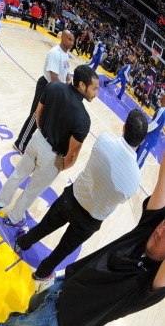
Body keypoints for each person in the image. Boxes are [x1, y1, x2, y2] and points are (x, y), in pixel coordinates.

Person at [0, 149, 165, 326]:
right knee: (35, 301)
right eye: (163, 223)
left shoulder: (149, 285)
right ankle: (23, 313)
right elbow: (163, 180)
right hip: (64, 283)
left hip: (60, 319)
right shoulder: (148, 230)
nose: (159, 231)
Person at [14, 109, 147, 289]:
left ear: (123, 127)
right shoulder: (136, 179)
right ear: (142, 141)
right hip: (90, 220)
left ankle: (22, 243)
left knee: (45, 225)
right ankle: (41, 273)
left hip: (73, 198)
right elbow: (120, 200)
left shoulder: (104, 140)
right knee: (63, 250)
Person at [0, 65, 98, 228]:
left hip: (36, 140)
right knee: (32, 191)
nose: (96, 93)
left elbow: (38, 111)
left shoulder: (54, 87)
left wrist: (41, 131)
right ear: (82, 85)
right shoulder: (83, 118)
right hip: (52, 156)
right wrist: (63, 166)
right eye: (94, 89)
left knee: (18, 174)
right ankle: (13, 218)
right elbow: (73, 153)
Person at [14, 30, 74, 153]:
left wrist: (69, 83)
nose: (72, 43)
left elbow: (67, 73)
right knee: (35, 116)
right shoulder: (55, 53)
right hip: (47, 86)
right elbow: (54, 77)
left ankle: (27, 141)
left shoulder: (65, 54)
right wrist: (65, 92)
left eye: (73, 40)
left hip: (56, 88)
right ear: (62, 38)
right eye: (69, 39)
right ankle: (20, 143)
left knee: (43, 119)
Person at [137, 95, 165, 168]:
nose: (161, 97)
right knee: (139, 156)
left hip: (149, 138)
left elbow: (153, 125)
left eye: (162, 96)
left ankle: (130, 175)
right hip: (151, 138)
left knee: (138, 159)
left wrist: (141, 130)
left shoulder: (162, 111)